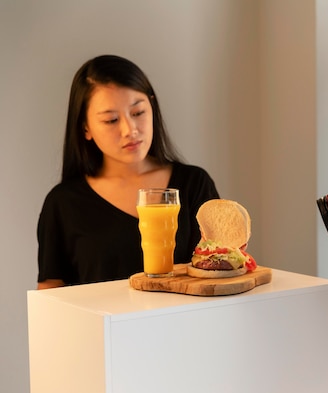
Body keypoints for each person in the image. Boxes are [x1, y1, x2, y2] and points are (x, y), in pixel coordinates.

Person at [37, 55, 220, 289]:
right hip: (101, 327)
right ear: (85, 127)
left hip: (186, 325)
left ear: (152, 107)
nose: (130, 130)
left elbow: (222, 270)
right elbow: (50, 296)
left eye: (138, 113)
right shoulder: (63, 203)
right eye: (111, 120)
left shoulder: (194, 184)